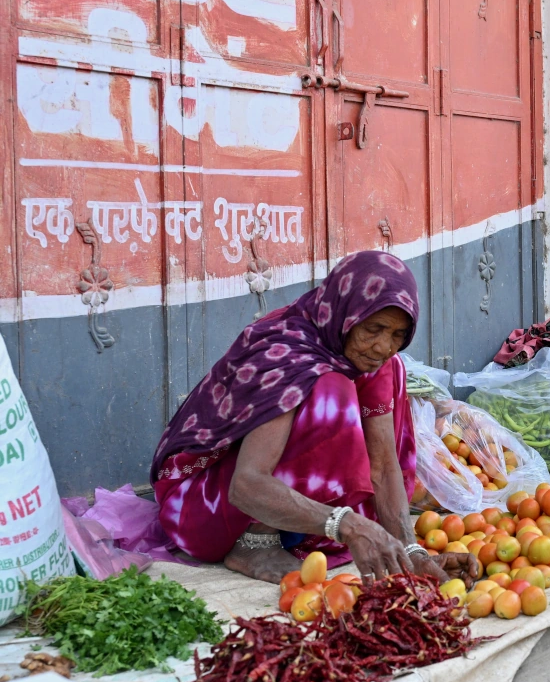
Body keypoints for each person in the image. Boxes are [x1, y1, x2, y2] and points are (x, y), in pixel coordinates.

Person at [151, 251, 477, 585]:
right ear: (345, 314)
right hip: (203, 506)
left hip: (274, 502)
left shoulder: (375, 360)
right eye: (374, 329)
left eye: (398, 334)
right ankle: (255, 543)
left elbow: (382, 465)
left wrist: (411, 552)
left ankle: (295, 533)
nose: (383, 347)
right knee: (331, 392)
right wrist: (348, 525)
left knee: (388, 372)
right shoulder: (286, 351)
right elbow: (246, 484)